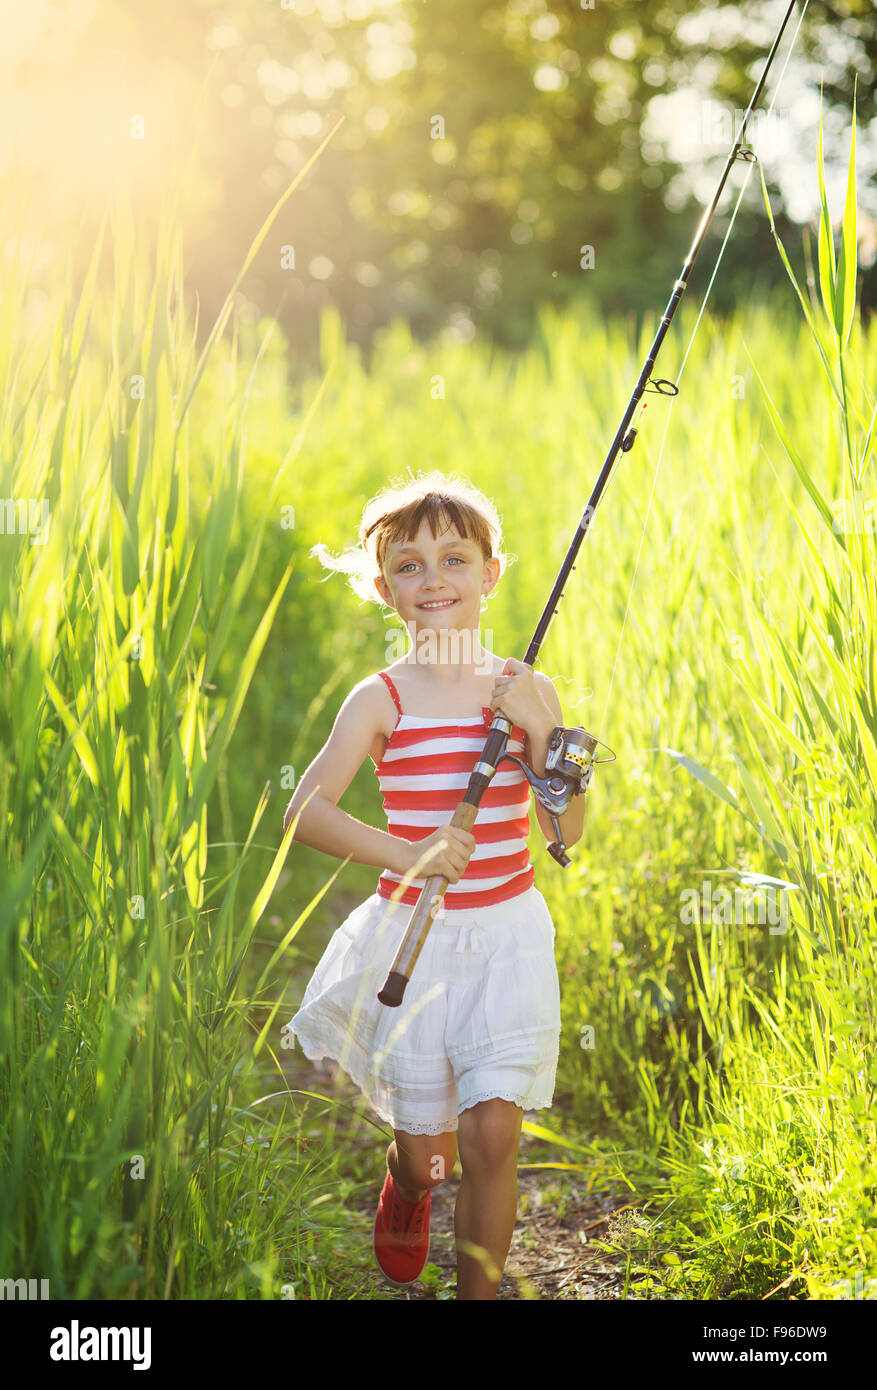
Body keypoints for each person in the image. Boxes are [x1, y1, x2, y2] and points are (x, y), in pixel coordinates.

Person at [282, 470, 585, 1300]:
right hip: (417, 938)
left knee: (492, 1135)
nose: (434, 580)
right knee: (431, 1150)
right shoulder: (379, 700)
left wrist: (545, 729)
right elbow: (303, 812)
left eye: (454, 559)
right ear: (385, 589)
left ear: (490, 574)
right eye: (409, 567)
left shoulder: (525, 690)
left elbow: (568, 829)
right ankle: (406, 1184)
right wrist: (406, 852)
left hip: (509, 936)